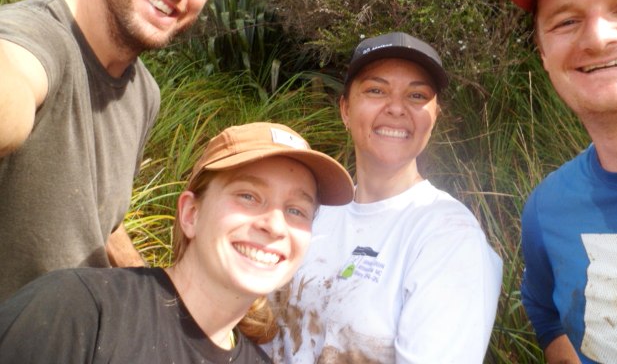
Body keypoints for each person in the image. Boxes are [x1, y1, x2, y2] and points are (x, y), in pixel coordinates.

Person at [0, 0, 246, 302]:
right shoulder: (36, 37)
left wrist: (152, 289)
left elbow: (100, 218)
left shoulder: (144, 93)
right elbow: (14, 85)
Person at [0, 122, 354, 363]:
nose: (274, 225)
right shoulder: (78, 311)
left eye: (296, 210)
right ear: (190, 214)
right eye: (248, 196)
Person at [265, 32, 503, 363]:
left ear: (434, 117)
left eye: (417, 95)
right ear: (345, 109)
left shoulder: (448, 234)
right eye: (376, 90)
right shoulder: (316, 214)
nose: (396, 109)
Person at [506, 0, 617, 363]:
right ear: (544, 55)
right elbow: (543, 308)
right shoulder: (547, 207)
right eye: (566, 21)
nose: (599, 38)